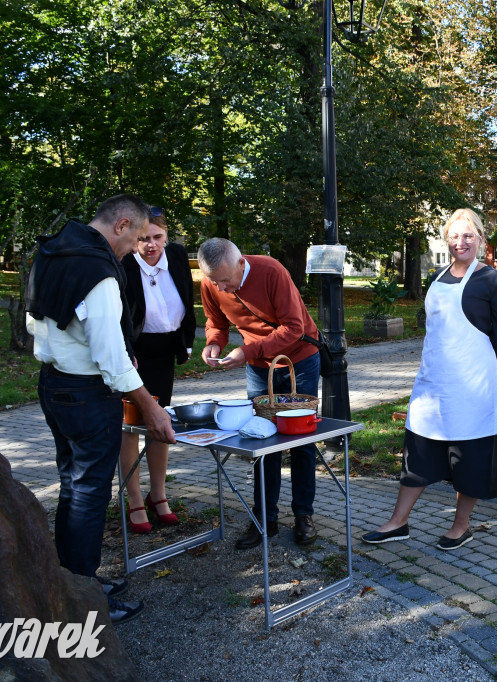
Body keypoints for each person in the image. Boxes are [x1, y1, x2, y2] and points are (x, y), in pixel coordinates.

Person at [26, 194, 176, 625]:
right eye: (134, 239)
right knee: (89, 492)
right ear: (121, 224)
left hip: (52, 384)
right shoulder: (98, 273)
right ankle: (86, 598)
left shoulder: (54, 251)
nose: (133, 249)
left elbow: (34, 318)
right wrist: (149, 406)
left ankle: (71, 580)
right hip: (86, 395)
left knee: (73, 486)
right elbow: (110, 357)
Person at [362, 209, 497, 550]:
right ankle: (398, 522)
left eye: (468, 236)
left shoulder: (493, 282)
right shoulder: (437, 275)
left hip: (471, 386)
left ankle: (461, 526)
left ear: (480, 239)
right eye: (455, 236)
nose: (460, 242)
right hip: (433, 382)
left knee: (470, 456)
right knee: (419, 450)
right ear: (447, 238)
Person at [197, 238, 322, 549]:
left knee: (300, 441)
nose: (222, 288)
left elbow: (294, 327)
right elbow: (216, 322)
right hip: (257, 366)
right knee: (262, 440)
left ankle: (303, 515)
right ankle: (264, 519)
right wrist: (214, 342)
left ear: (242, 263)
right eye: (215, 281)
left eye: (226, 280)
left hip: (300, 360)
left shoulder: (272, 271)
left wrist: (247, 350)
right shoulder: (212, 283)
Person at [118, 208, 197, 533]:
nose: (151, 245)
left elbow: (188, 297)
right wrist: (124, 353)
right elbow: (118, 313)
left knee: (160, 422)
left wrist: (188, 342)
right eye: (144, 239)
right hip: (133, 354)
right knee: (129, 428)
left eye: (157, 237)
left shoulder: (177, 255)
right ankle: (134, 498)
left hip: (164, 353)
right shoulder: (122, 263)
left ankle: (159, 494)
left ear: (166, 235)